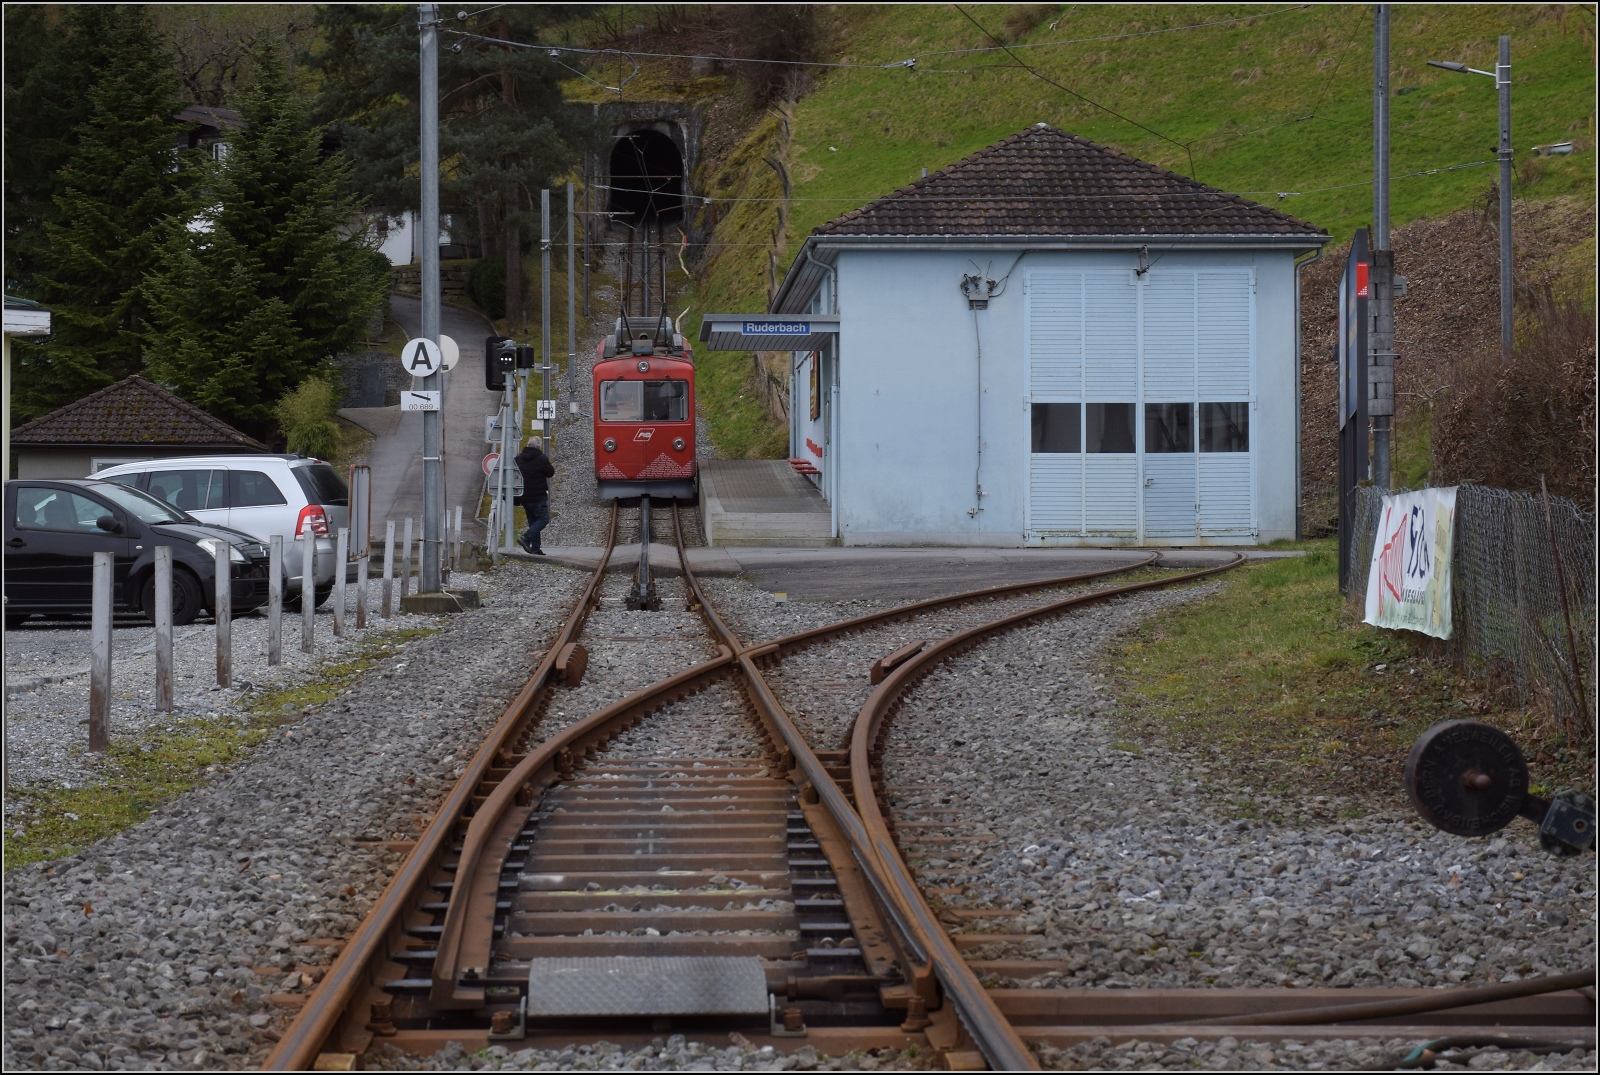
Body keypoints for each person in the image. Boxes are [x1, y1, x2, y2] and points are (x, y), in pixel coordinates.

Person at [514, 436, 555, 555]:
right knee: (543, 519)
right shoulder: (541, 458)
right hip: (538, 496)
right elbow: (550, 473)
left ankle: (535, 548)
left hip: (524, 496)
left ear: (527, 444)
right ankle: (526, 537)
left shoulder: (519, 458)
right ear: (538, 446)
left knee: (533, 521)